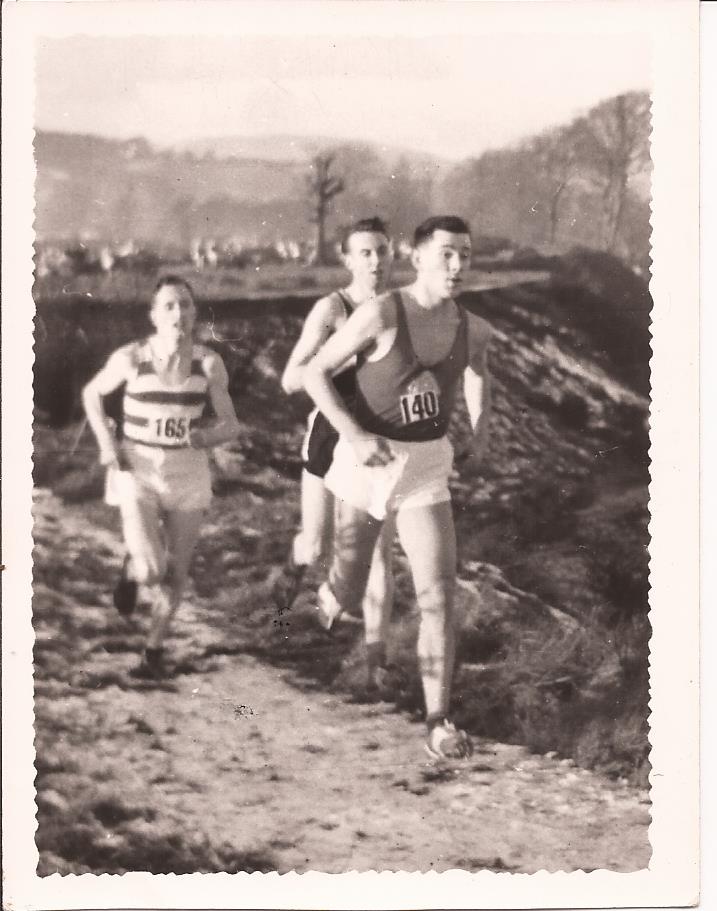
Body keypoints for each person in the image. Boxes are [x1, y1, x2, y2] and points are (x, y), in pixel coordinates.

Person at [303, 216, 492, 759]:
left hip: (425, 470)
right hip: (366, 463)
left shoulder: (470, 326)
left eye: (466, 255)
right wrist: (355, 434)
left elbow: (480, 369)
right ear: (418, 258)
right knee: (347, 585)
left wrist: (481, 429)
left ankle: (439, 723)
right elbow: (316, 373)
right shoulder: (382, 313)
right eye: (448, 255)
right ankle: (318, 611)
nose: (458, 267)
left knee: (438, 597)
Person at [82, 275, 240, 678]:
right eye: (169, 306)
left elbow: (230, 425)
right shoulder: (133, 358)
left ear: (194, 313)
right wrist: (105, 443)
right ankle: (133, 568)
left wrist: (206, 435)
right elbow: (92, 394)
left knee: (177, 570)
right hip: (138, 470)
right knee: (152, 569)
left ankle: (153, 651)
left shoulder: (208, 363)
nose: (178, 314)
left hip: (187, 474)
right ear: (154, 316)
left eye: (185, 305)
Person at [273, 217, 396, 688]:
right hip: (330, 435)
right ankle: (282, 608)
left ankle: (374, 663)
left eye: (382, 251)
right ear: (346, 259)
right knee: (317, 543)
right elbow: (290, 379)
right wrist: (345, 355)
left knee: (379, 554)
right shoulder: (333, 308)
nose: (375, 262)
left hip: (378, 439)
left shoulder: (399, 308)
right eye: (364, 253)